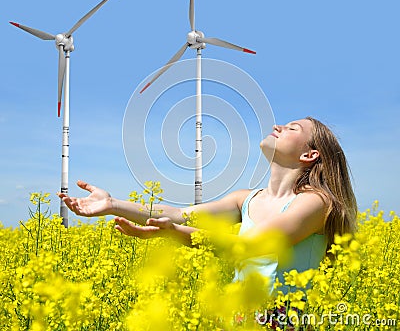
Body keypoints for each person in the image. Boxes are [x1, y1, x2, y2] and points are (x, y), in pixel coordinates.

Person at [58, 117, 357, 296]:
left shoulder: (317, 203)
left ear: (310, 155)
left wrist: (174, 233)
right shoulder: (245, 199)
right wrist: (112, 204)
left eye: (292, 128)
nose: (277, 126)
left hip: (285, 319)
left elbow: (250, 246)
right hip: (242, 315)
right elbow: (180, 214)